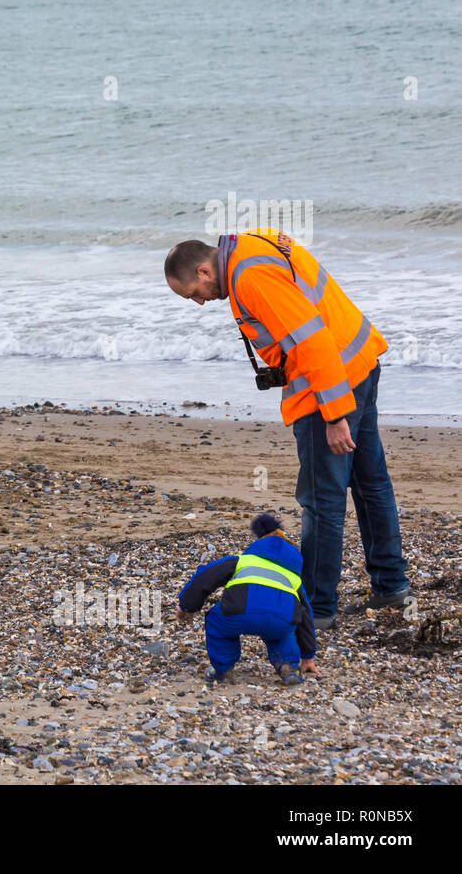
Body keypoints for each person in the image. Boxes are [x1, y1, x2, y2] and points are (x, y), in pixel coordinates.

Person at [165, 228, 411, 629]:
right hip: (358, 360)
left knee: (322, 498)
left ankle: (317, 608)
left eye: (193, 292)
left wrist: (333, 414)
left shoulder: (250, 277)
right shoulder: (251, 244)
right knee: (370, 483)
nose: (198, 302)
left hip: (327, 384)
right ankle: (391, 587)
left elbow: (311, 340)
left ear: (206, 270)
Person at [176, 513, 318, 685]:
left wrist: (187, 606)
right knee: (286, 628)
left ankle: (223, 670)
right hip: (279, 620)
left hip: (239, 612)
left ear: (256, 547)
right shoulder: (293, 579)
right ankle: (288, 666)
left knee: (216, 621)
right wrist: (308, 655)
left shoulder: (242, 561)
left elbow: (205, 578)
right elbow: (306, 617)